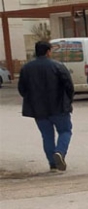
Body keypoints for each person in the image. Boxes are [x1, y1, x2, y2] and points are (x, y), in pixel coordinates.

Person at [18, 41, 74, 172]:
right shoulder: (58, 66)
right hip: (59, 106)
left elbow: (22, 89)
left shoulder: (26, 68)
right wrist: (68, 101)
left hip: (38, 109)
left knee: (47, 136)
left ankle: (52, 164)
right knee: (65, 131)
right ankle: (60, 152)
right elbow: (69, 86)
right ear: (48, 51)